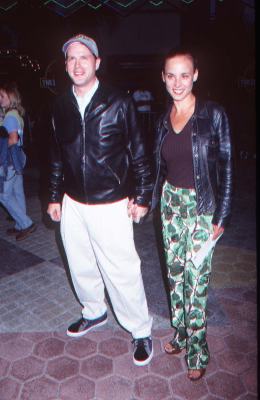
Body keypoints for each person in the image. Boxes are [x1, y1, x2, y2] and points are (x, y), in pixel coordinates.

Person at [47, 34, 153, 366]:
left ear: (97, 62)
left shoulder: (119, 102)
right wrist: (54, 197)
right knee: (79, 264)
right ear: (65, 65)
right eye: (71, 59)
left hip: (111, 201)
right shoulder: (59, 105)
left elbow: (140, 153)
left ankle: (140, 330)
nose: (78, 64)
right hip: (73, 202)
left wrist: (144, 195)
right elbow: (55, 157)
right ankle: (94, 312)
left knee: (122, 270)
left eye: (84, 57)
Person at [152, 48, 232, 380]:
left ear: (196, 74)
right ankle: (182, 334)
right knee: (175, 277)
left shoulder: (213, 114)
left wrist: (222, 216)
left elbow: (227, 164)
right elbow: (158, 168)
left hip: (202, 207)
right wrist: (147, 199)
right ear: (163, 78)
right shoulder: (161, 119)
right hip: (170, 204)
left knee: (195, 282)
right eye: (171, 75)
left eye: (185, 74)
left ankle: (198, 350)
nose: (178, 82)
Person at [0, 82, 36, 241]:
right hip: (18, 158)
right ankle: (20, 225)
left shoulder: (9, 116)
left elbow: (13, 139)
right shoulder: (16, 114)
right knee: (17, 192)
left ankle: (26, 223)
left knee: (4, 196)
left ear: (11, 97)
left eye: (2, 96)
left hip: (9, 160)